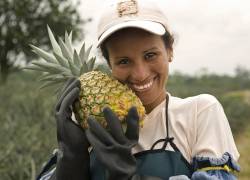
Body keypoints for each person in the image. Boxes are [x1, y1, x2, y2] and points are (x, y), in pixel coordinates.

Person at [38, 0, 240, 179]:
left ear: (169, 51)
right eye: (124, 61)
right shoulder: (91, 128)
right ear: (110, 64)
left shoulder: (199, 112)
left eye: (150, 55)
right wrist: (71, 157)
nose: (140, 74)